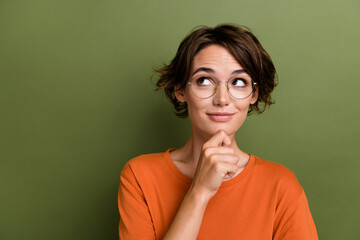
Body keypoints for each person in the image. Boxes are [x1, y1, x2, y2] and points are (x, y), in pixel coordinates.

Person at [118, 24, 318, 240]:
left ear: (253, 94)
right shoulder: (139, 176)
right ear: (180, 90)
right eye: (204, 80)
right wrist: (200, 191)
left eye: (238, 82)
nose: (222, 99)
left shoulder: (281, 186)